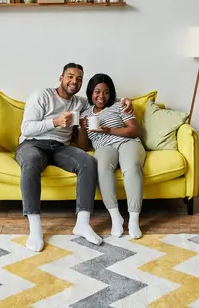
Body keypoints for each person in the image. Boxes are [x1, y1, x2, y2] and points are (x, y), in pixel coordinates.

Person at [16, 63, 133, 252]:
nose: (74, 81)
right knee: (30, 163)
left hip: (60, 148)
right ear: (61, 77)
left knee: (87, 161)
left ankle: (82, 223)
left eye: (79, 79)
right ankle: (35, 228)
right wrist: (55, 122)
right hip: (33, 143)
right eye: (70, 76)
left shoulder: (80, 103)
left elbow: (102, 99)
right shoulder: (42, 95)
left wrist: (125, 101)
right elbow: (26, 128)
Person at [77, 73, 145, 239]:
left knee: (131, 167)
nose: (101, 96)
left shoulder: (120, 104)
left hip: (127, 142)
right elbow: (83, 146)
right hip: (102, 147)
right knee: (101, 169)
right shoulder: (84, 112)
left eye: (106, 92)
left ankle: (134, 219)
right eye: (97, 91)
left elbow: (133, 130)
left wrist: (109, 130)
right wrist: (81, 127)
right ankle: (116, 217)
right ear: (91, 92)